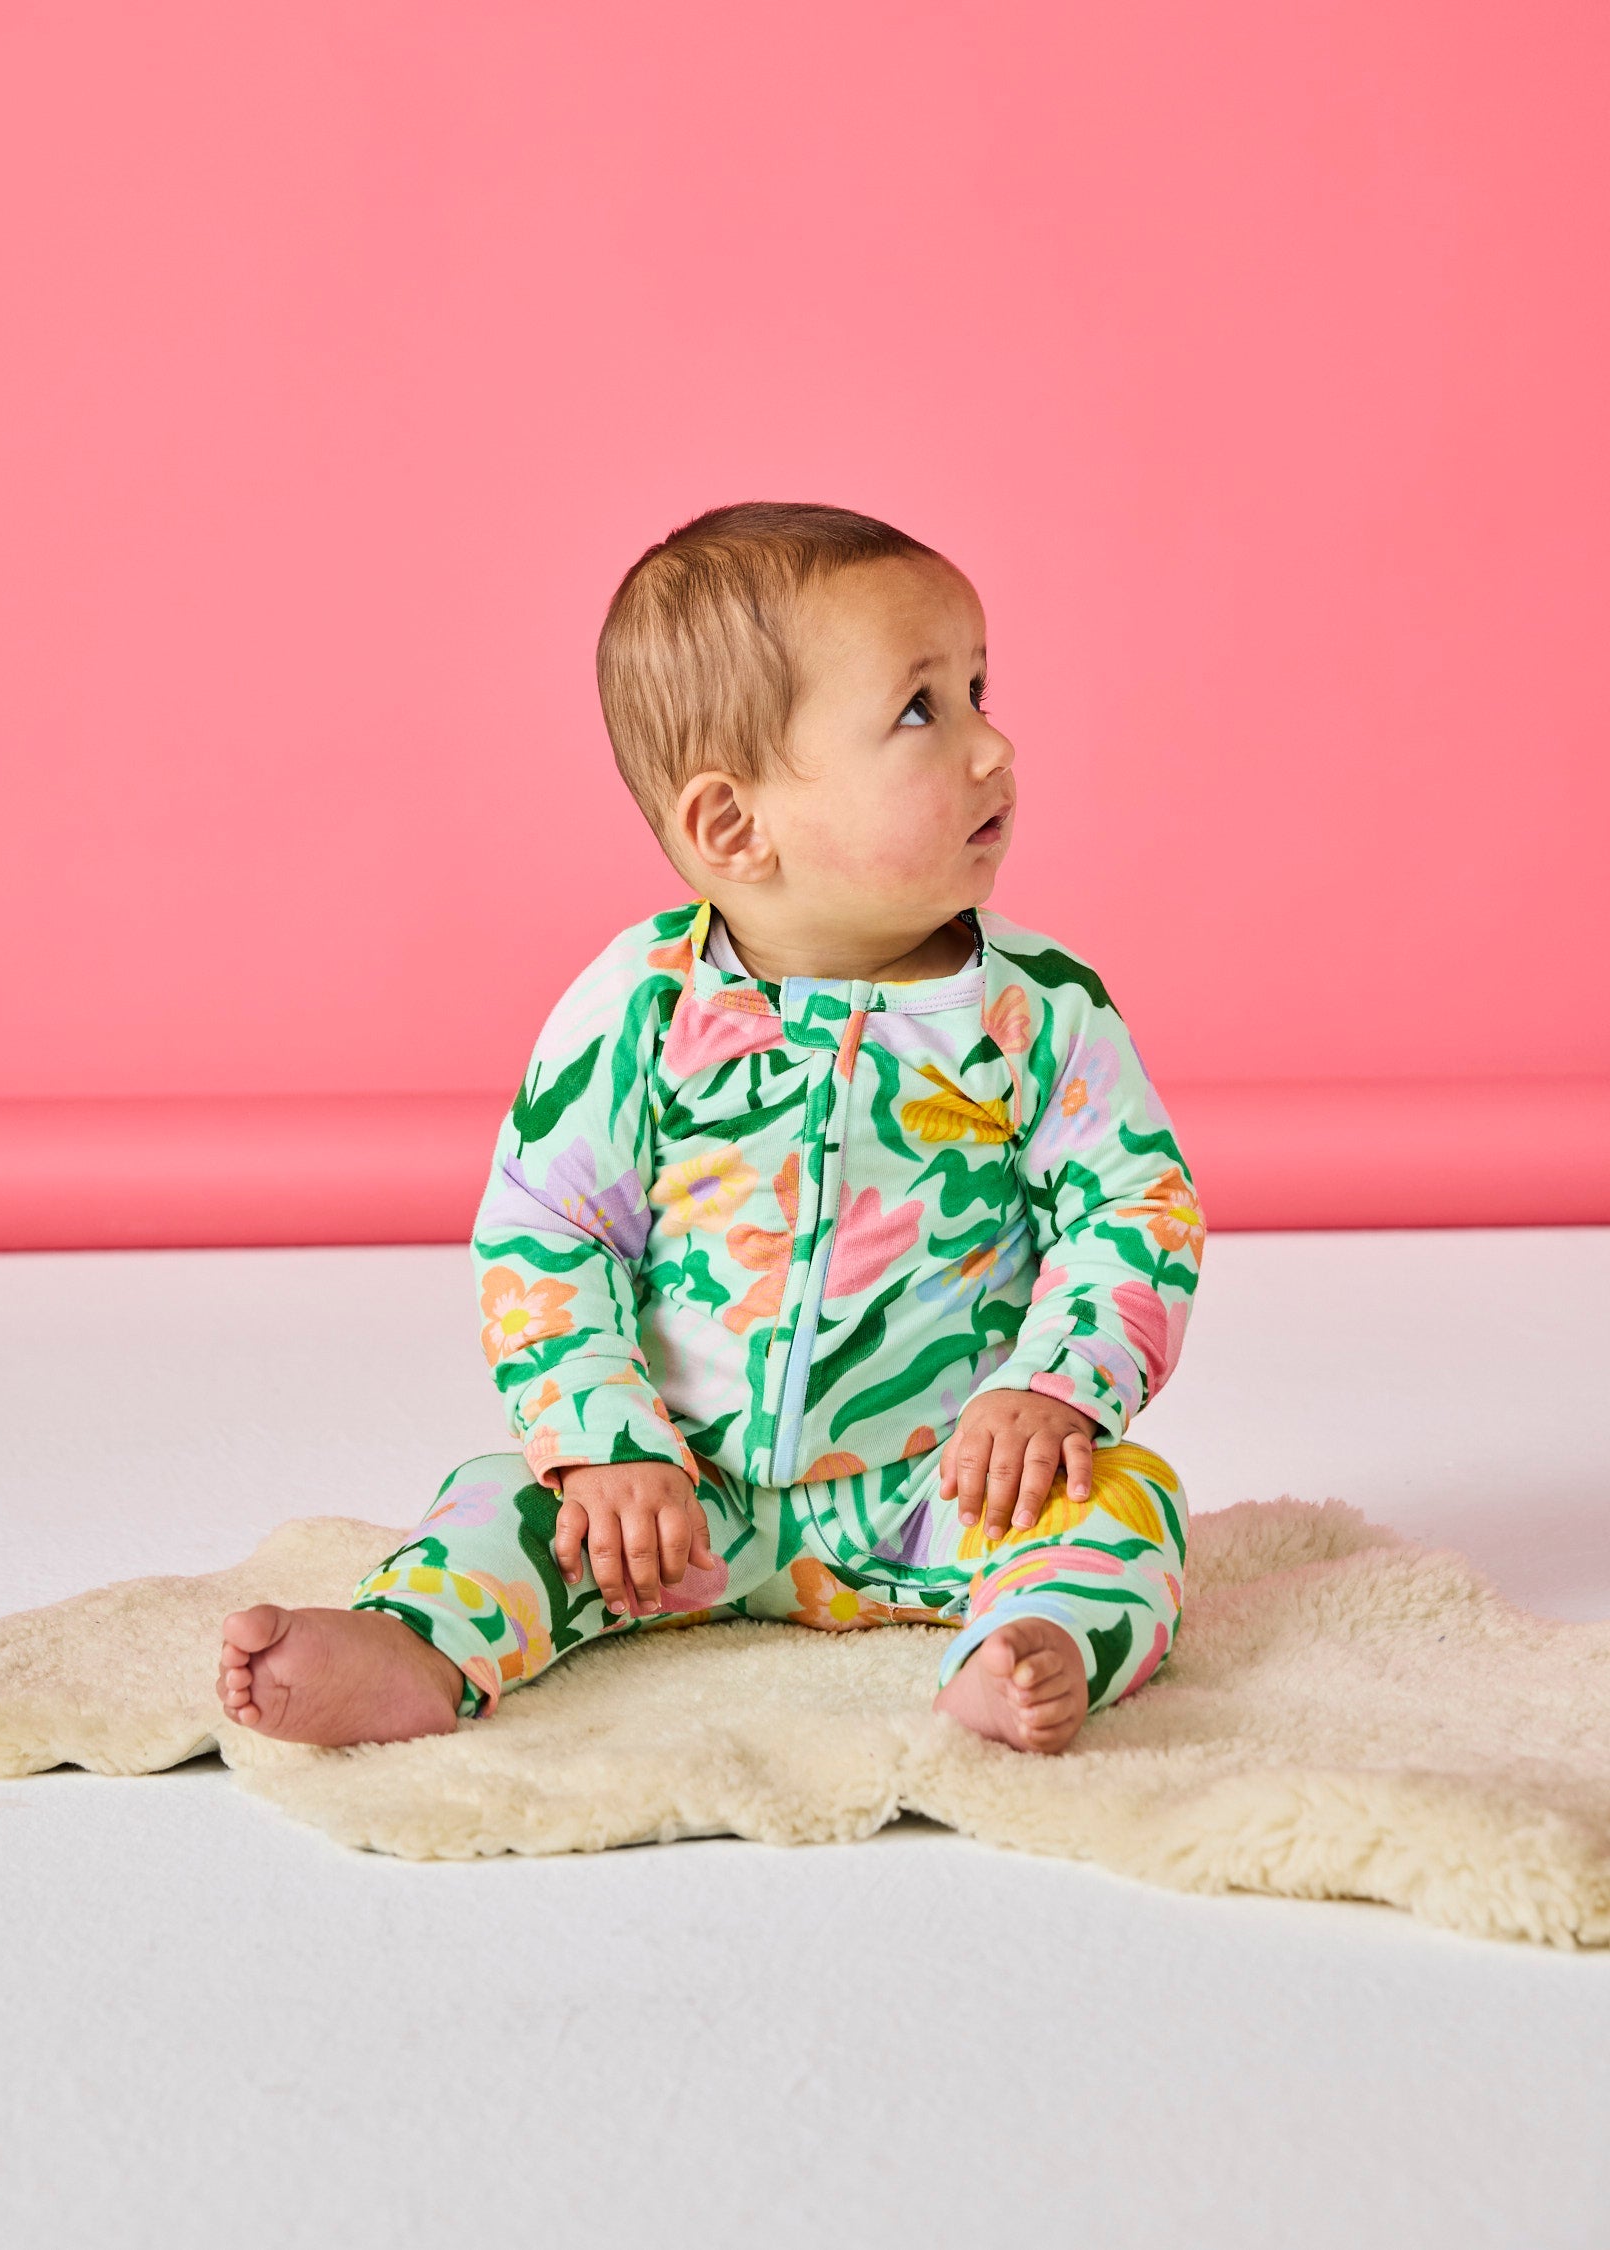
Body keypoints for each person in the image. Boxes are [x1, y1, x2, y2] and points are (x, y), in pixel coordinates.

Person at [217, 502, 1203, 1757]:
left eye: (977, 688)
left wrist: (1051, 1390)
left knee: (1129, 1505)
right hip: (682, 1501)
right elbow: (549, 1228)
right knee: (502, 1501)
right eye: (922, 710)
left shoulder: (1037, 1011)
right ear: (733, 827)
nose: (992, 745)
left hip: (950, 1486)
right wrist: (603, 1445)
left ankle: (1033, 1642)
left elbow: (1135, 1210)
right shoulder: (640, 1007)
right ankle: (414, 1646)